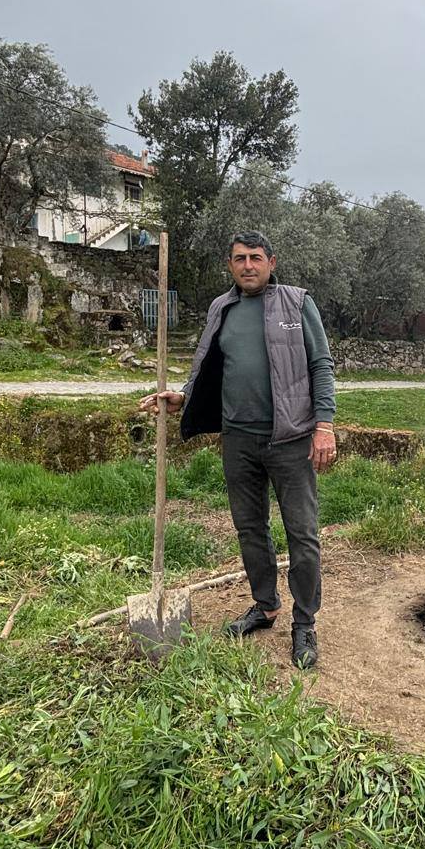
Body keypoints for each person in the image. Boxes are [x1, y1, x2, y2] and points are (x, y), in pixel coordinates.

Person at [140, 230, 336, 669]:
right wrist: (182, 400)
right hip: (238, 439)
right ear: (230, 264)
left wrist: (324, 425)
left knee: (302, 535)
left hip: (291, 438)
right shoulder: (221, 308)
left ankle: (305, 623)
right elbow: (209, 369)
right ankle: (265, 606)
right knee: (250, 529)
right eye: (239, 258)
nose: (248, 265)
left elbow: (321, 364)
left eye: (256, 258)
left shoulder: (297, 303)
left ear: (271, 261)